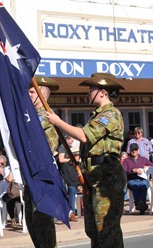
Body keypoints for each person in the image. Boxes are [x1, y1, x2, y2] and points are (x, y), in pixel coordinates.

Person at [45, 73, 127, 248]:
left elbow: (84, 136)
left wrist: (58, 122)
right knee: (93, 229)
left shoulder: (111, 114)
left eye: (92, 90)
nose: (88, 93)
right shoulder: (97, 115)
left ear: (103, 92)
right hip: (94, 176)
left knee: (106, 230)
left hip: (107, 177)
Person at [26, 76, 61, 247]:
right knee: (32, 222)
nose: (29, 94)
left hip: (42, 178)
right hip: (31, 177)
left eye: (32, 91)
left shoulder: (48, 117)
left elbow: (50, 148)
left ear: (43, 95)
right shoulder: (29, 117)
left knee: (42, 223)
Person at [122, 143, 153, 214]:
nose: (134, 151)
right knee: (135, 187)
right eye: (132, 150)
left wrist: (147, 167)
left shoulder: (143, 159)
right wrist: (132, 170)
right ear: (130, 150)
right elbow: (124, 171)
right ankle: (141, 205)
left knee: (143, 186)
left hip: (143, 179)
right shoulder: (126, 161)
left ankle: (140, 204)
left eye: (135, 150)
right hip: (132, 179)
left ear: (138, 150)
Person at [58, 134, 83, 221]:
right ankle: (71, 212)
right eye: (71, 140)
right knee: (72, 189)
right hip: (68, 180)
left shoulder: (78, 165)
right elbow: (61, 160)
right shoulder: (62, 148)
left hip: (76, 181)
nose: (72, 142)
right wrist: (70, 159)